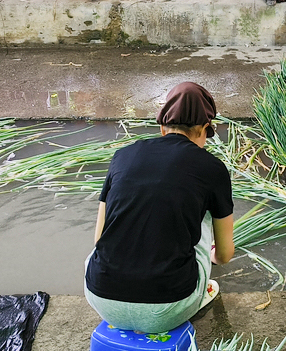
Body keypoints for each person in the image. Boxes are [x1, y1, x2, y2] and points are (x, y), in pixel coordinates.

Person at [85, 82, 234, 333]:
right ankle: (197, 293)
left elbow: (99, 237)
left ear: (163, 128)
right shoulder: (213, 168)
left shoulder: (122, 156)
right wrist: (210, 257)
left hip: (101, 299)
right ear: (205, 128)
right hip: (168, 308)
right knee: (206, 212)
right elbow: (225, 255)